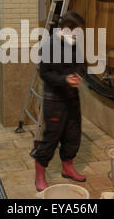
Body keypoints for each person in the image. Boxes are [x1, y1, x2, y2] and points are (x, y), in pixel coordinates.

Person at [31, 10, 86, 192]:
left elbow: (81, 63)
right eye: (77, 31)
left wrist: (77, 74)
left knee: (73, 134)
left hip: (71, 97)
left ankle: (67, 167)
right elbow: (45, 73)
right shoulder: (48, 45)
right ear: (66, 29)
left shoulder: (72, 44)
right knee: (52, 137)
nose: (79, 35)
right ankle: (40, 175)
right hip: (54, 100)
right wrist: (64, 80)